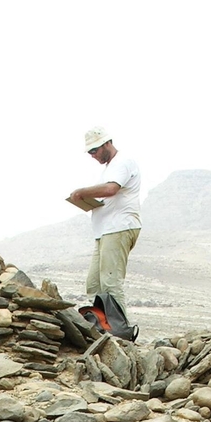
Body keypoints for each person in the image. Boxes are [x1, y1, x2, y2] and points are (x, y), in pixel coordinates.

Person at [66, 127, 142, 310]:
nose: (93, 155)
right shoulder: (110, 168)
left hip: (118, 227)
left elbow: (110, 189)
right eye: (90, 152)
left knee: (110, 283)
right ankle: (103, 326)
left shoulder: (123, 162)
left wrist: (82, 192)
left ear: (107, 143)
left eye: (95, 150)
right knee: (94, 285)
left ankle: (119, 332)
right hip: (105, 231)